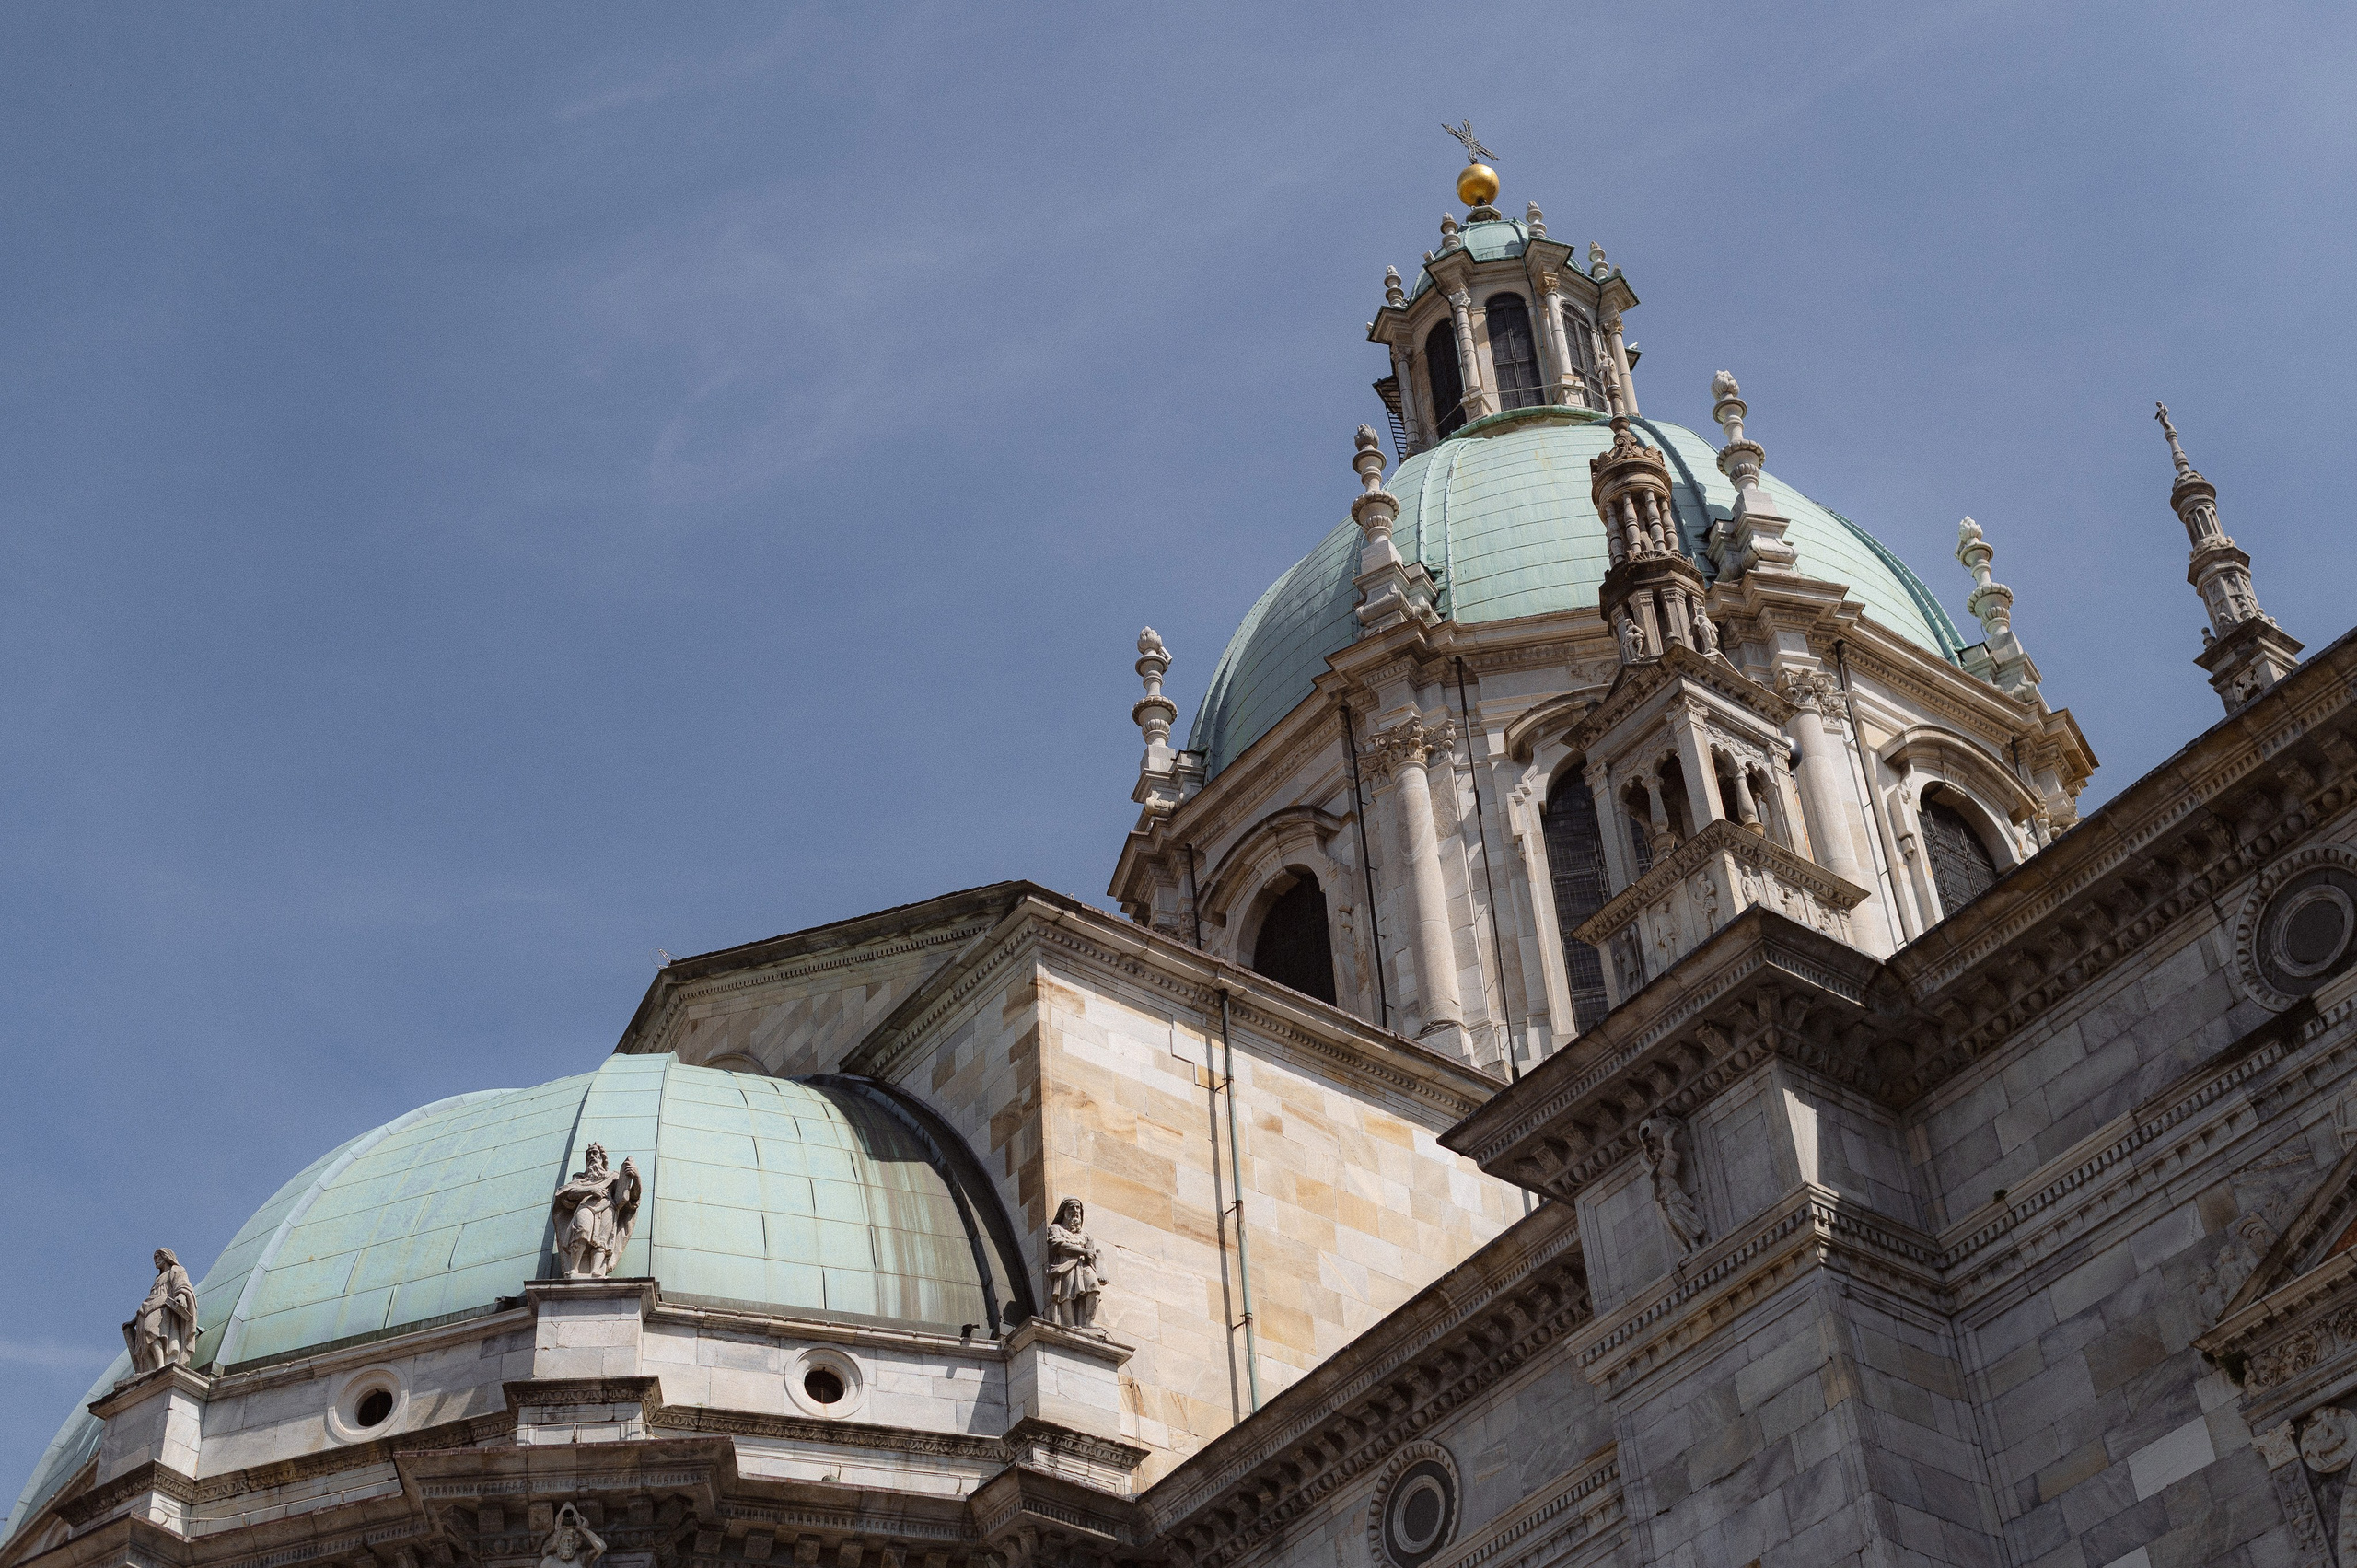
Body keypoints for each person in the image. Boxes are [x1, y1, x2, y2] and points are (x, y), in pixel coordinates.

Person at [552, 1144, 641, 1279]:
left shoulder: (613, 1177)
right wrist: (590, 1190)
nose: (592, 1157)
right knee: (581, 1231)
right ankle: (574, 1269)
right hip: (585, 1207)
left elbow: (630, 1198)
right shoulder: (579, 1179)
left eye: (595, 1153)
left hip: (608, 1208)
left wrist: (636, 1178)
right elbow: (569, 1194)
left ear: (602, 1158)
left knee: (602, 1241)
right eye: (589, 1155)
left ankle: (596, 1272)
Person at [123, 1248, 198, 1374]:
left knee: (151, 1330)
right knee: (145, 1338)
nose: (156, 1260)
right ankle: (155, 1366)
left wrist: (181, 1297)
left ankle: (162, 1364)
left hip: (163, 1306)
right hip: (148, 1308)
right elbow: (152, 1296)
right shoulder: (158, 1278)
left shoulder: (177, 1270)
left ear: (167, 1257)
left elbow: (183, 1286)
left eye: (158, 1257)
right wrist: (133, 1322)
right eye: (154, 1258)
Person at [1045, 1197, 1107, 1331]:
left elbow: (1092, 1253)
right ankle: (1069, 1323)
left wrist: (1100, 1268)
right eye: (1071, 1207)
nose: (1075, 1211)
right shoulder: (1056, 1229)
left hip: (1083, 1266)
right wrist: (1083, 1251)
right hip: (1065, 1265)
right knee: (1066, 1293)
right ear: (1064, 1211)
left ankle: (1089, 1321)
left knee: (1094, 1288)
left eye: (1078, 1208)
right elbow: (1059, 1245)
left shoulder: (1085, 1235)